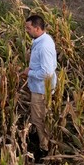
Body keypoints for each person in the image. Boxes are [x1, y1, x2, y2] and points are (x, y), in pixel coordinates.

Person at [21, 14, 57, 155]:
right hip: (41, 87)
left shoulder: (43, 47)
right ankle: (41, 138)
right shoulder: (43, 39)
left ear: (37, 28)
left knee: (39, 118)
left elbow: (46, 72)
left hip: (41, 90)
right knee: (41, 116)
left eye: (28, 28)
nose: (26, 30)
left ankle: (43, 148)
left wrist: (29, 72)